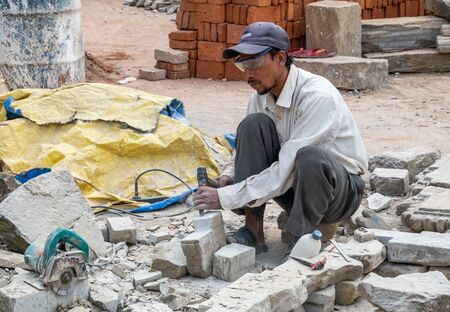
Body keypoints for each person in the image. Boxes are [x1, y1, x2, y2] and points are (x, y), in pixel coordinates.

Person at [193, 22, 367, 257]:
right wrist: (227, 178)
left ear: (281, 58)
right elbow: (245, 151)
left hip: (339, 193)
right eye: (242, 64)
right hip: (294, 186)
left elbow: (289, 166)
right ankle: (253, 232)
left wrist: (224, 197)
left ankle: (300, 242)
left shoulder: (317, 96)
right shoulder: (261, 95)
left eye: (254, 63)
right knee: (253, 124)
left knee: (309, 156)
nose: (248, 74)